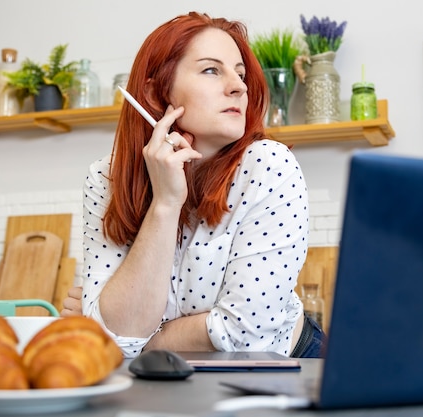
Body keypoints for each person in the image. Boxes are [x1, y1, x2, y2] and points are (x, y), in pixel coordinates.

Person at [61, 11, 325, 358]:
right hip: (169, 382)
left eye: (240, 73)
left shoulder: (269, 165)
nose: (239, 86)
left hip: (281, 369)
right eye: (212, 70)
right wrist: (166, 204)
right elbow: (110, 337)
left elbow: (245, 334)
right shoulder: (105, 180)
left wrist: (135, 339)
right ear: (157, 92)